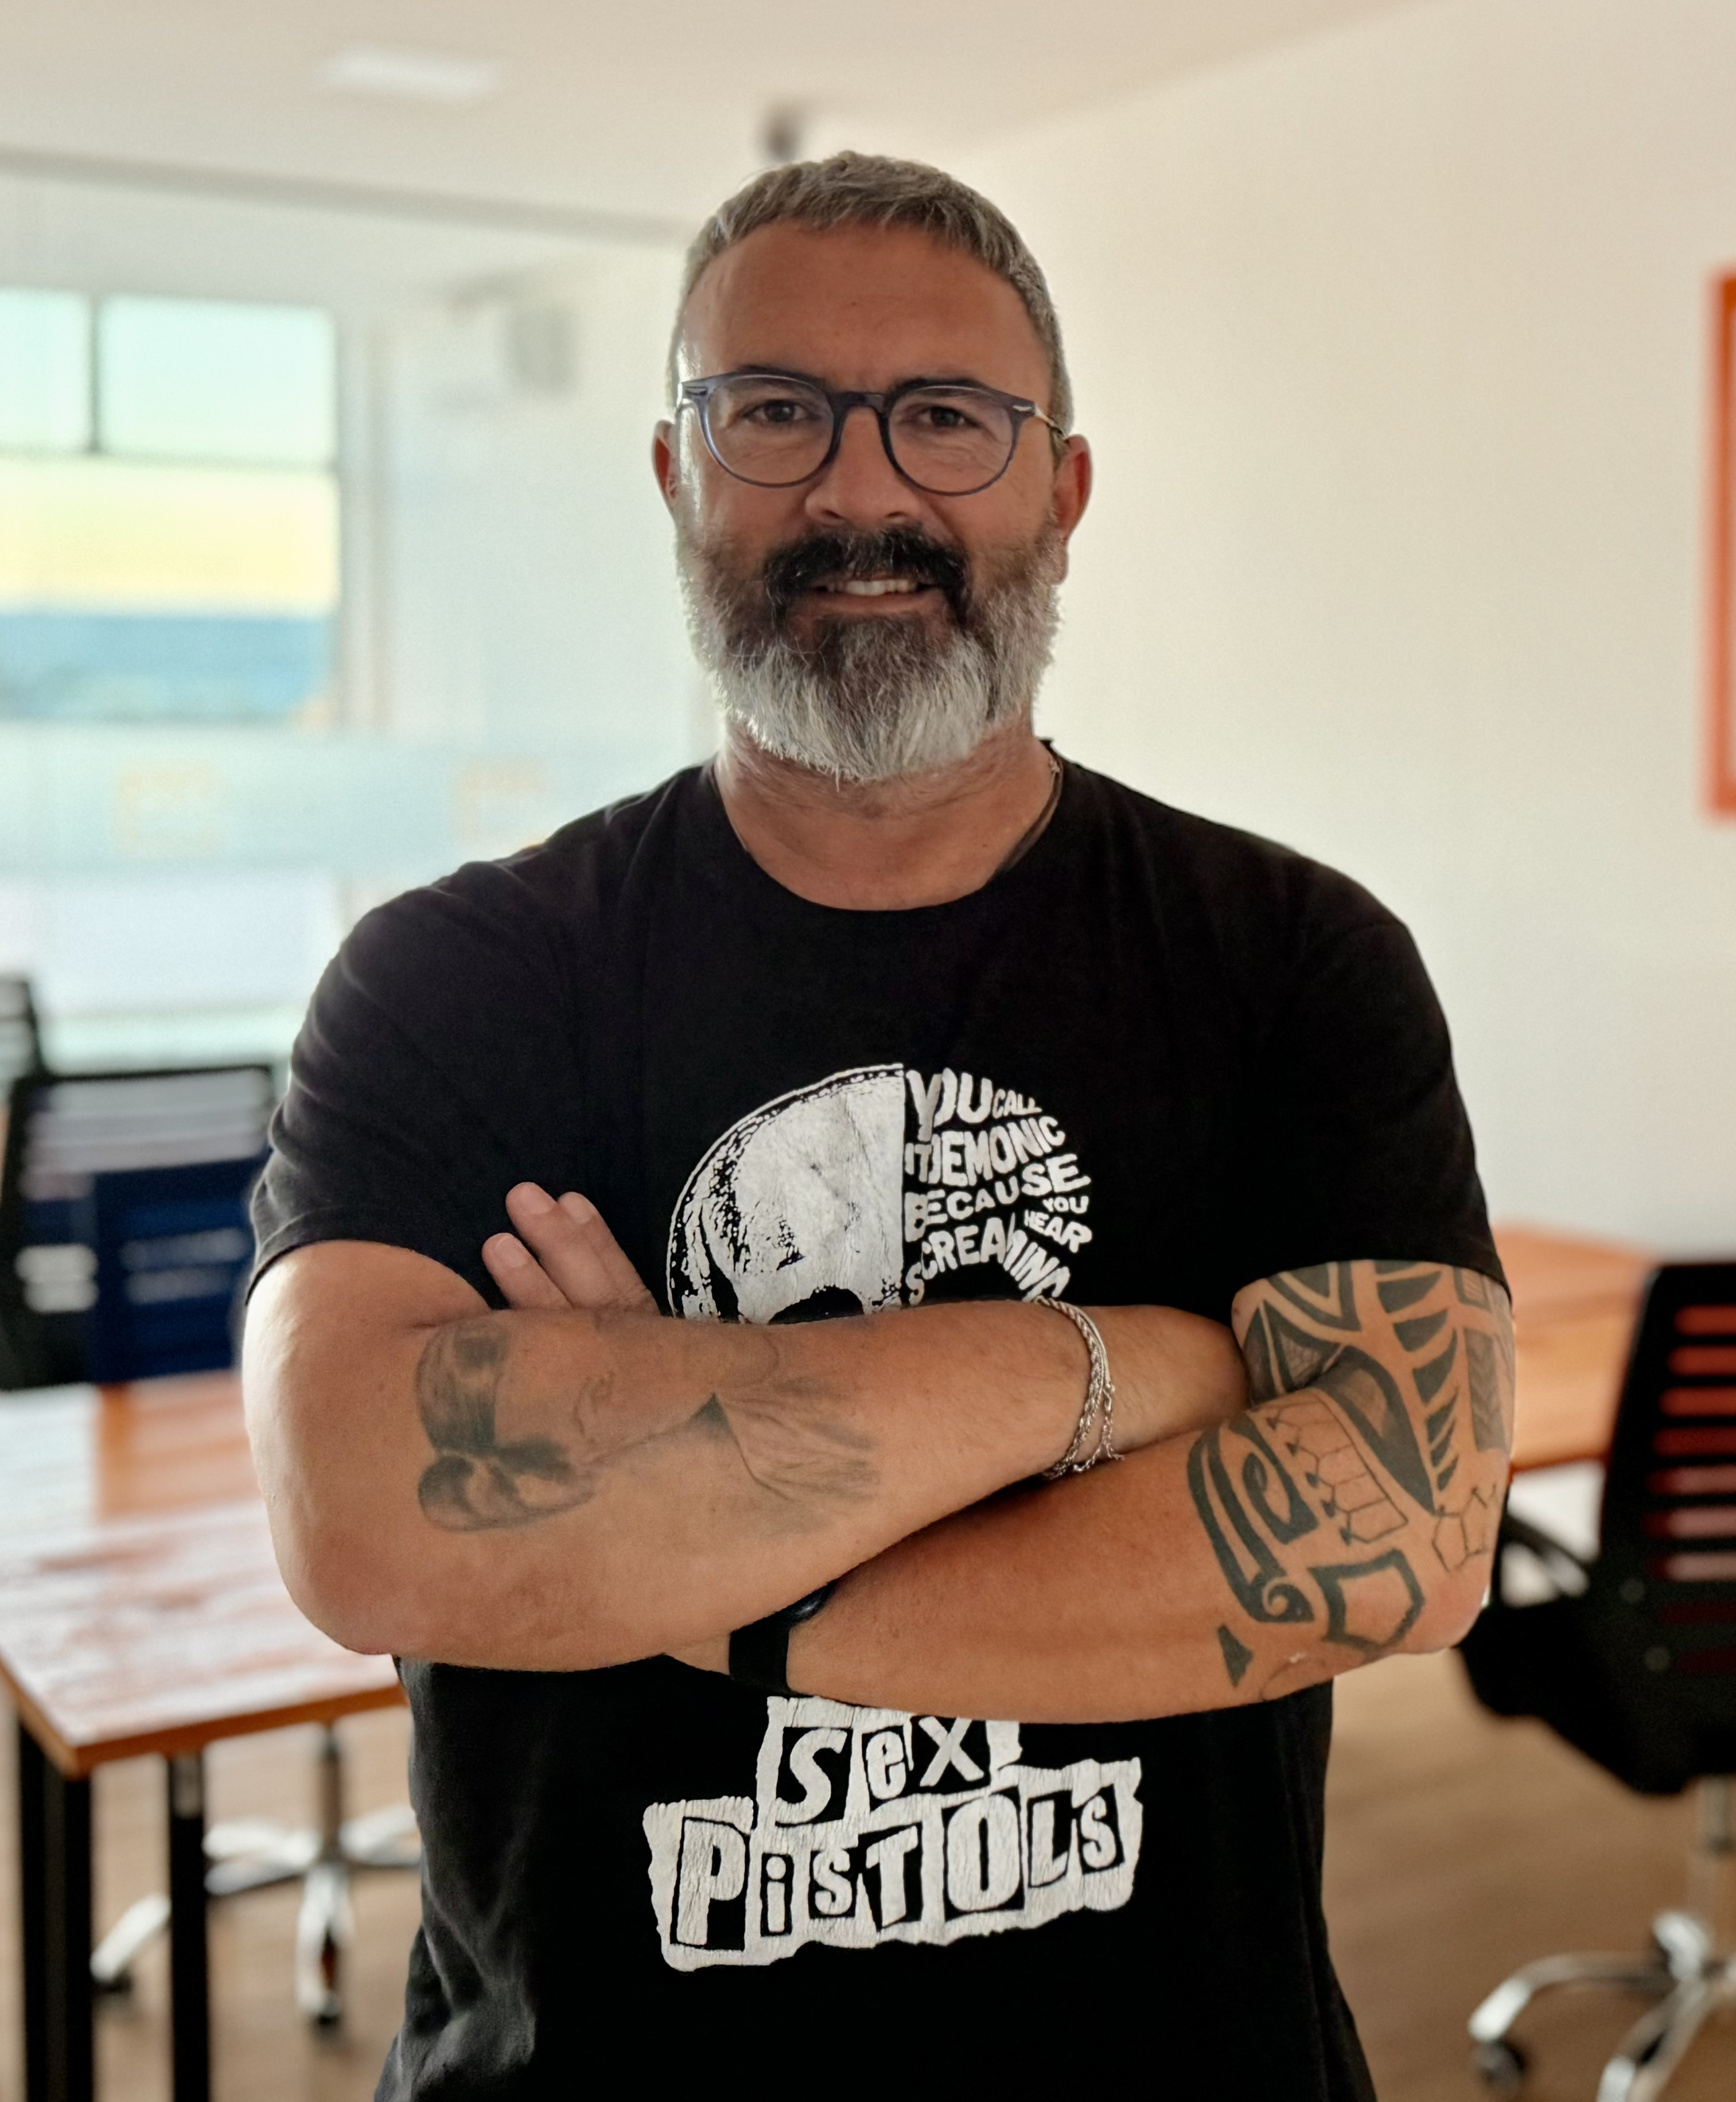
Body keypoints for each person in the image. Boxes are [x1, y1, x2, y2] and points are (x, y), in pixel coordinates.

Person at [243, 152, 1513, 2097]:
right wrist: (1111, 1374)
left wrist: (679, 1536)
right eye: (775, 413)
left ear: (1060, 491)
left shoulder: (1292, 962)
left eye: (946, 418)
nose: (861, 493)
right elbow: (361, 1513)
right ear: (676, 474)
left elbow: (1406, 1534)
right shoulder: (460, 978)